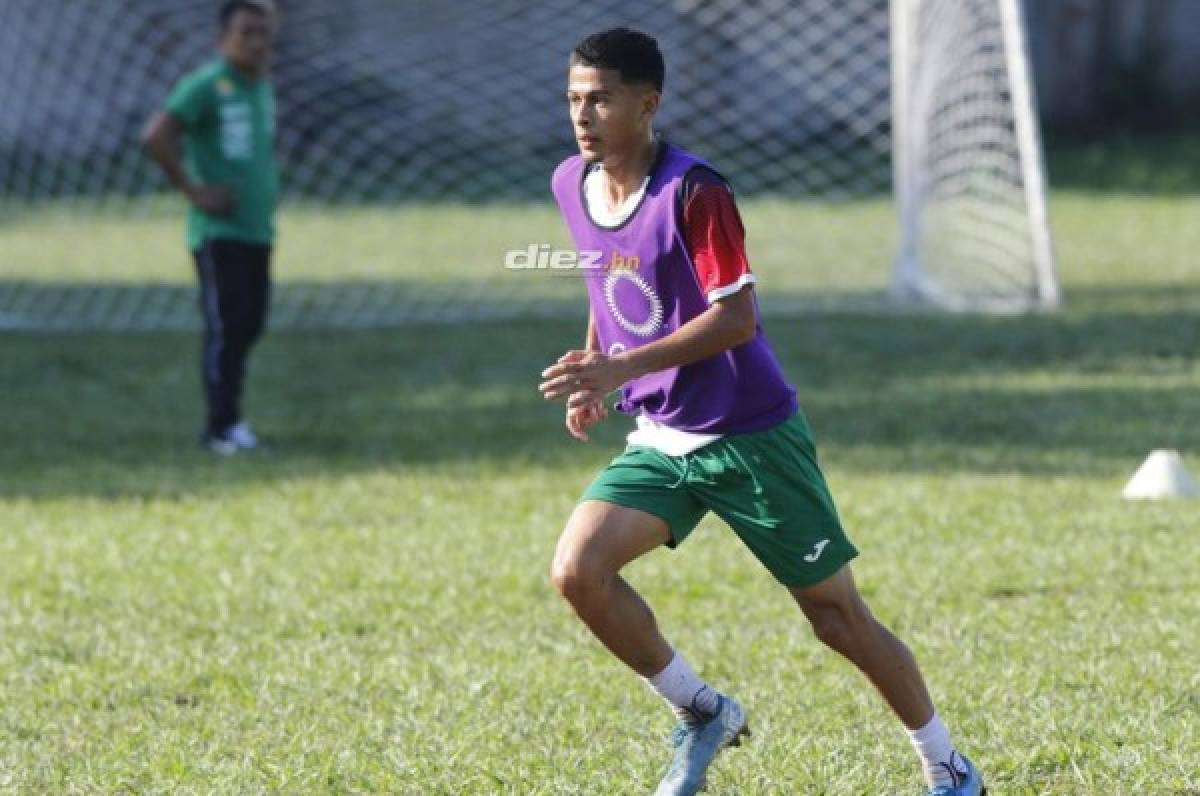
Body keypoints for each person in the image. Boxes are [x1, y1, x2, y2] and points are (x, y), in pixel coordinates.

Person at [539, 28, 986, 796]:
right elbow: (605, 278)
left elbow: (737, 318)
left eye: (601, 98)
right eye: (576, 98)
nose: (584, 114)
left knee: (836, 618)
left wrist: (623, 365)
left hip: (749, 437)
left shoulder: (694, 191)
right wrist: (597, 373)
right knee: (578, 572)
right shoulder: (570, 183)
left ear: (647, 105)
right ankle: (702, 710)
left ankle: (948, 765)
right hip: (664, 438)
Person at [141, 0, 278, 454]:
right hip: (218, 234)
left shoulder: (259, 87)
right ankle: (221, 428)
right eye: (246, 33)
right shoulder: (206, 85)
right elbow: (156, 135)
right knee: (227, 326)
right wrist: (194, 191)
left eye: (264, 33)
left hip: (256, 228)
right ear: (223, 38)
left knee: (250, 325)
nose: (257, 43)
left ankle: (231, 420)